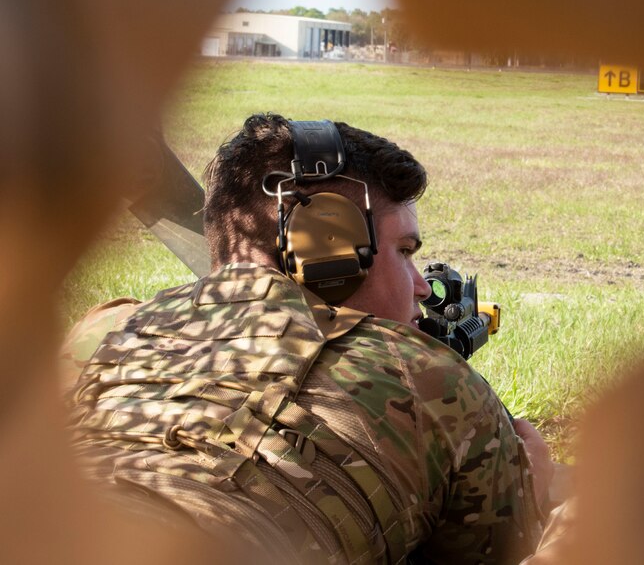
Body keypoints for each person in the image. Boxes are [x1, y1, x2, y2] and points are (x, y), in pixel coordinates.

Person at [62, 113, 552, 565]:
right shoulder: (429, 375)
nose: (422, 287)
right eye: (404, 251)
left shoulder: (109, 328)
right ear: (329, 247)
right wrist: (540, 488)